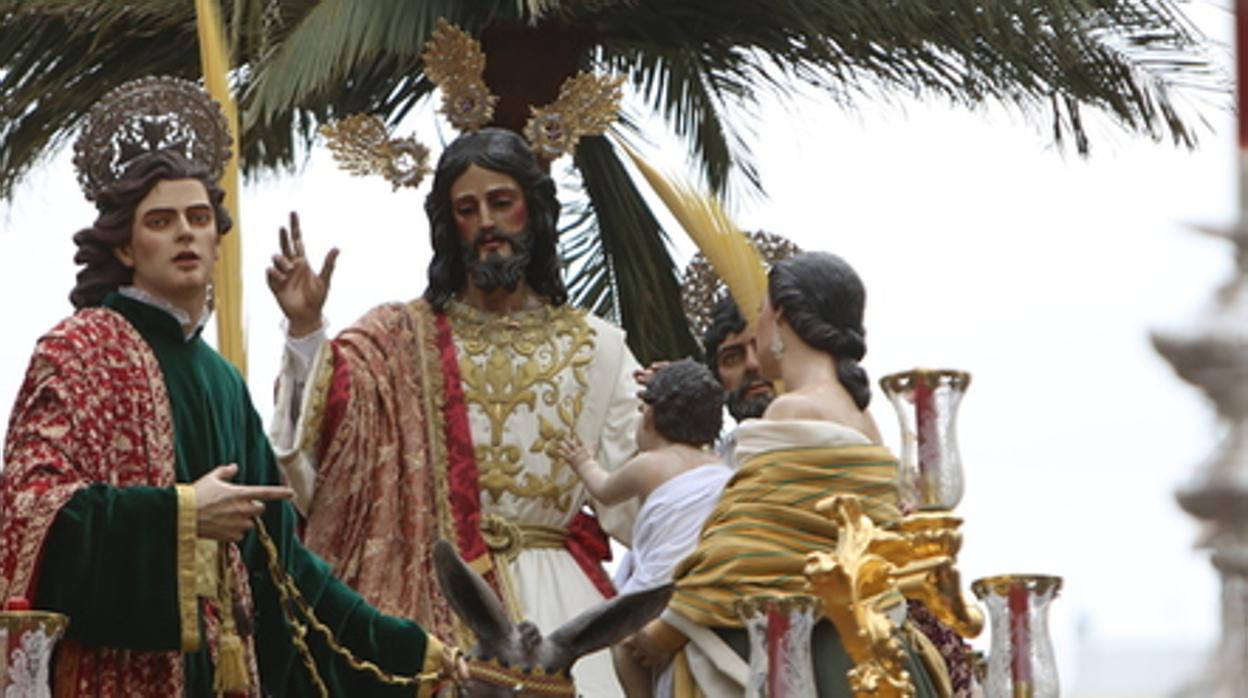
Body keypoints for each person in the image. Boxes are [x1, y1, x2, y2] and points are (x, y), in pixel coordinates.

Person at [0, 77, 461, 696]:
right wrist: (181, 516)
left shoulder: (221, 383)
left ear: (218, 238)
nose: (185, 233)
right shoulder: (81, 348)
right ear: (128, 248)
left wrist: (417, 655)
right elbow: (26, 513)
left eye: (198, 218)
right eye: (160, 221)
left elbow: (288, 573)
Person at [268, 127, 641, 697]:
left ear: (533, 212)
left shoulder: (601, 346)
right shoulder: (399, 335)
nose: (487, 221)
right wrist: (304, 332)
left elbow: (635, 504)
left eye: (502, 202)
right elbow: (328, 433)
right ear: (449, 226)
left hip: (561, 609)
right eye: (467, 208)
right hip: (436, 591)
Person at [628, 252, 950, 697]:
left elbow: (745, 547)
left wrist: (670, 625)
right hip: (869, 635)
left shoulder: (792, 409)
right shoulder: (863, 418)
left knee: (628, 652)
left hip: (804, 648)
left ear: (779, 317)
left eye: (760, 311)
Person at [558, 359, 731, 698]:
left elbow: (604, 488)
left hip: (660, 587)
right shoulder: (721, 466)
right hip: (708, 582)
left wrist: (582, 462)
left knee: (623, 643)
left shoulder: (649, 465)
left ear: (650, 416)